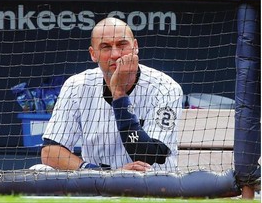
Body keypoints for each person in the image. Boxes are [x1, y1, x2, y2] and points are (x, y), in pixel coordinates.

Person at [41, 17, 183, 172]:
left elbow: (149, 156)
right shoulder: (77, 85)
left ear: (135, 47)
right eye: (105, 47)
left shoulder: (165, 87)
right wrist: (106, 175)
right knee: (40, 169)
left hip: (152, 186)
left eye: (122, 45)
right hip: (97, 186)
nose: (115, 54)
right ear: (93, 54)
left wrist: (119, 94)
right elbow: (50, 152)